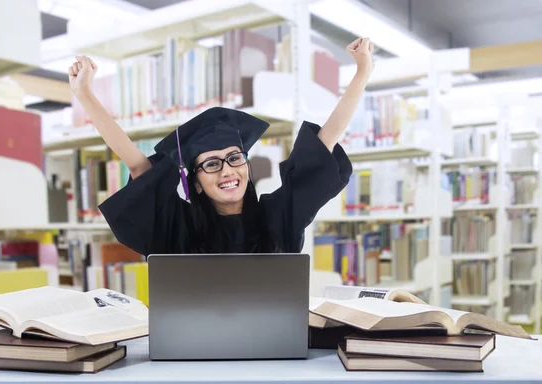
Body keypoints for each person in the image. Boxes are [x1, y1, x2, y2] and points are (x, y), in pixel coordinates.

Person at [68, 37, 374, 256]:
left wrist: (361, 73)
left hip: (271, 343)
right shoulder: (178, 225)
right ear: (196, 183)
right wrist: (84, 95)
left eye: (234, 158)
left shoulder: (279, 214)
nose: (227, 169)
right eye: (212, 163)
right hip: (192, 345)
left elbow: (323, 145)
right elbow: (137, 166)